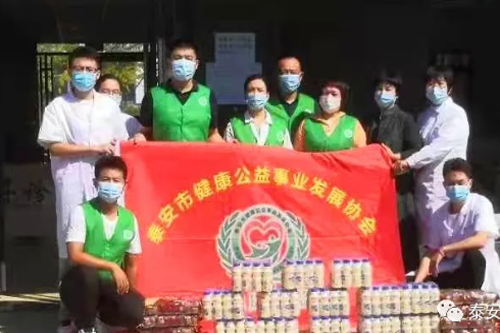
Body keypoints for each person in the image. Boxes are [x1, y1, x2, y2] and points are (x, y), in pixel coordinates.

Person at [37, 46, 128, 333]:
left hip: (105, 185)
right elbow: (53, 144)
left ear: (98, 73)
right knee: (71, 251)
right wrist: (91, 148)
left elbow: (123, 143)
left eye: (90, 70)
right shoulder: (57, 107)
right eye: (79, 69)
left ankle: (103, 315)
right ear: (70, 71)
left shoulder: (109, 107)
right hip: (73, 184)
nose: (84, 74)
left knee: (109, 245)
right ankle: (69, 317)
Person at [61, 156, 145, 333]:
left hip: (109, 287)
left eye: (116, 180)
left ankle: (101, 321)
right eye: (105, 179)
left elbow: (132, 263)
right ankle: (84, 326)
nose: (111, 185)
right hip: (79, 284)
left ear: (124, 184)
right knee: (88, 275)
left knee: (135, 307)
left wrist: (130, 297)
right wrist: (112, 266)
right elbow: (75, 255)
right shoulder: (82, 212)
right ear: (95, 182)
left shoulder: (130, 219)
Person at [394, 67, 470, 244]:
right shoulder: (424, 116)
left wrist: (408, 162)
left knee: (445, 235)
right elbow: (416, 145)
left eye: (440, 84)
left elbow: (438, 147)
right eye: (430, 83)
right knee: (425, 237)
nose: (434, 88)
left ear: (449, 88)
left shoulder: (455, 114)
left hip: (445, 186)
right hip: (423, 186)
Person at [414, 158, 500, 294]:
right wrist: (416, 284)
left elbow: (480, 240)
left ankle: (474, 296)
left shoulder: (480, 204)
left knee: (472, 255)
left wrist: (444, 249)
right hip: (452, 269)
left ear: (469, 183)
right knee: (426, 285)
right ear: (444, 185)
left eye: (461, 183)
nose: (455, 188)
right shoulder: (438, 215)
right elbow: (430, 253)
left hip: (478, 271)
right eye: (451, 184)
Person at [368, 71, 423, 273]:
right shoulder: (370, 119)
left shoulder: (405, 119)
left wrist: (398, 156)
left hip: (400, 185)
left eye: (388, 89)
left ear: (396, 94)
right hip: (376, 188)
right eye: (379, 89)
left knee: (403, 229)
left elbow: (418, 148)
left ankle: (408, 272)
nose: (383, 93)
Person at [134, 39, 224, 143]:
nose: (183, 62)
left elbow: (212, 134)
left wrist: (231, 148)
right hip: (163, 158)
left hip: (198, 158)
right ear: (170, 62)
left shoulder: (207, 95)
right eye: (178, 58)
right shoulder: (154, 95)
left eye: (189, 58)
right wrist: (140, 137)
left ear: (196, 64)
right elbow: (145, 132)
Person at [294, 81, 366, 152]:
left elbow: (361, 155)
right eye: (326, 93)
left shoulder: (353, 124)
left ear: (342, 99)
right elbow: (298, 154)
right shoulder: (307, 123)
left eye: (334, 94)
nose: (329, 97)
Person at [224, 74, 292, 148]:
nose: (256, 94)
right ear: (245, 95)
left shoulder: (280, 125)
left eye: (260, 90)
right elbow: (227, 155)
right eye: (251, 90)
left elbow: (289, 156)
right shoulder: (233, 125)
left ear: (267, 95)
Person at [266, 55, 320, 140]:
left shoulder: (311, 104)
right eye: (284, 72)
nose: (288, 76)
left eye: (293, 72)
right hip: (277, 151)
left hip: (302, 152)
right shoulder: (266, 104)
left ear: (301, 76)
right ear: (278, 75)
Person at [96, 73, 143, 138]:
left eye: (115, 92)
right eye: (105, 91)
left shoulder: (129, 121)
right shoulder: (87, 119)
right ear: (96, 93)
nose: (111, 95)